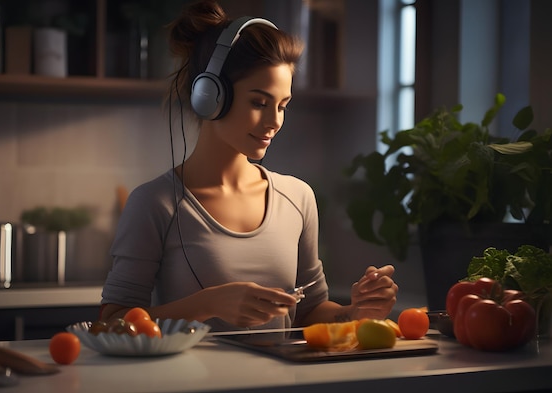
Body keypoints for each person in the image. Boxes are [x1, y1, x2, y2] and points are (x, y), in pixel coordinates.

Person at [100, 0, 398, 332]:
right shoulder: (154, 204)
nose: (274, 121)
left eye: (283, 106)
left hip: (288, 384)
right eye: (259, 102)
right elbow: (111, 323)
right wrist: (207, 304)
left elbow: (310, 312)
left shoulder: (298, 198)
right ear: (210, 96)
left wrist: (357, 312)